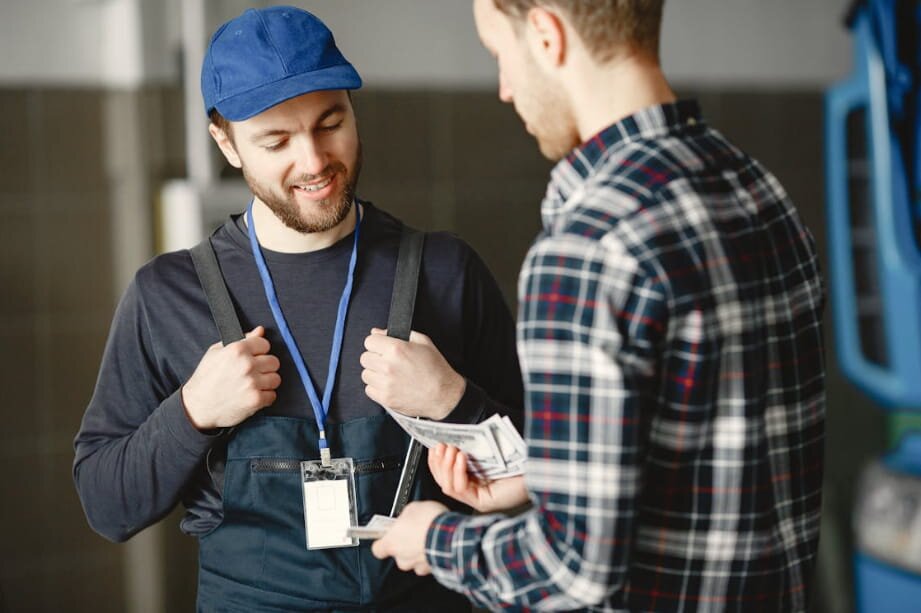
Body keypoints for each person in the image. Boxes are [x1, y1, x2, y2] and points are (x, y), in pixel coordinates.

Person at [370, 1, 827, 611]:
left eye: (500, 53)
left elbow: (574, 569)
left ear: (547, 34)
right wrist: (541, 483)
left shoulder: (589, 247)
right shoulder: (757, 188)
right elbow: (712, 456)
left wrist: (436, 539)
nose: (505, 89)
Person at [73, 6, 522, 611]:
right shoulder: (167, 294)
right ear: (225, 142)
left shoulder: (446, 271)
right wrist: (192, 412)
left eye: (330, 123)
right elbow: (108, 506)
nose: (313, 162)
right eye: (276, 141)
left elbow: (552, 476)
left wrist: (456, 401)